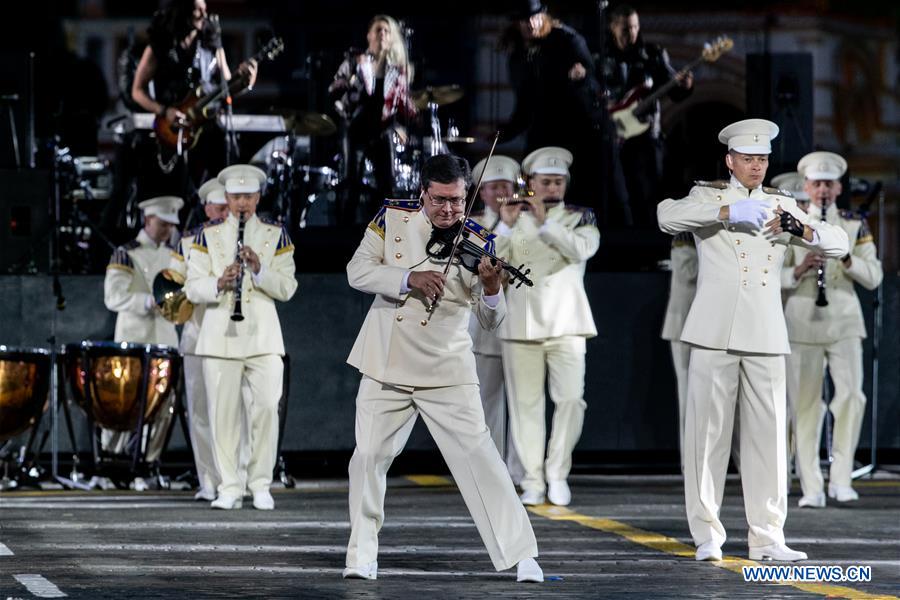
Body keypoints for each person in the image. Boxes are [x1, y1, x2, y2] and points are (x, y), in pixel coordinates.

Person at [342, 154, 542, 583]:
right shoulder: (392, 219)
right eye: (439, 201)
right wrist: (406, 279)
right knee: (369, 456)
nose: (449, 210)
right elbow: (357, 271)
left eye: (456, 201)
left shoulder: (479, 240)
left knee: (480, 456)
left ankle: (521, 553)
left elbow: (491, 320)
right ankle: (361, 555)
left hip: (447, 366)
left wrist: (491, 289)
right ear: (423, 194)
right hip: (386, 360)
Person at [657, 119, 849, 562]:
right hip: (714, 330)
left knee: (768, 439)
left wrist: (801, 231)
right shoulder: (709, 196)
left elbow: (836, 242)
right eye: (748, 159)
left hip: (764, 331)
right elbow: (666, 215)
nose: (756, 166)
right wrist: (725, 213)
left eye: (762, 159)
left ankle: (768, 537)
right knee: (707, 436)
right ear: (730, 161)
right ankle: (707, 533)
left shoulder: (783, 204)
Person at [185, 164, 297, 510]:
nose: (242, 203)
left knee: (265, 408)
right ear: (228, 198)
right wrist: (220, 281)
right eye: (236, 196)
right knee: (222, 415)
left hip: (263, 338)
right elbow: (191, 286)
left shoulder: (276, 234)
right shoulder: (207, 235)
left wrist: (259, 269)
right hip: (219, 336)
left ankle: (260, 482)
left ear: (258, 197)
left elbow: (288, 287)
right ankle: (229, 485)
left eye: (248, 196)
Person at [494, 147, 600, 507]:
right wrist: (505, 223)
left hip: (567, 322)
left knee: (571, 399)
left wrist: (545, 223)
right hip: (522, 322)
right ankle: (533, 479)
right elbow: (492, 259)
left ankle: (558, 471)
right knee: (525, 407)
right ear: (531, 183)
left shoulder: (578, 217)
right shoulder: (513, 215)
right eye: (545, 181)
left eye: (558, 181)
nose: (552, 187)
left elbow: (580, 250)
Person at [782, 151, 883, 508]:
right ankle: (811, 485)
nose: (822, 190)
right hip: (801, 321)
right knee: (805, 405)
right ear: (806, 186)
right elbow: (772, 277)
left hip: (843, 321)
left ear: (838, 187)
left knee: (852, 398)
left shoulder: (855, 224)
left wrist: (844, 256)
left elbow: (873, 277)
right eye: (816, 183)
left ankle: (841, 478)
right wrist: (798, 270)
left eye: (828, 184)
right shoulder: (790, 221)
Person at [500, 0, 629, 224]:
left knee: (594, 197)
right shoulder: (518, 56)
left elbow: (595, 87)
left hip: (581, 132)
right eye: (524, 20)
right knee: (535, 187)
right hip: (545, 131)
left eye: (535, 17)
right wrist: (504, 133)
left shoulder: (567, 40)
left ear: (544, 16)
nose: (531, 24)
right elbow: (525, 105)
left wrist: (581, 79)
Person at [129, 0, 257, 201]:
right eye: (198, 10)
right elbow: (137, 91)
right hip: (171, 132)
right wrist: (164, 111)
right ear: (183, 11)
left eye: (205, 10)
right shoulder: (160, 46)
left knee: (217, 188)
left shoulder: (211, 43)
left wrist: (246, 82)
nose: (203, 16)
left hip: (204, 131)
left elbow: (227, 89)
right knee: (172, 194)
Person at [102, 195, 184, 487]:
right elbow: (113, 297)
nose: (167, 230)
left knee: (164, 405)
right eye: (162, 224)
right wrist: (148, 301)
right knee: (125, 403)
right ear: (148, 220)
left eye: (170, 225)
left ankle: (148, 463)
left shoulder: (175, 256)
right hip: (134, 340)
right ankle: (112, 461)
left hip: (165, 340)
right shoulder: (126, 254)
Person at [600, 4, 693, 227]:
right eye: (625, 29)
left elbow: (674, 90)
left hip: (646, 136)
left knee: (649, 194)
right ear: (613, 27)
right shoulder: (600, 57)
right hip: (614, 136)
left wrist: (685, 85)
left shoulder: (653, 55)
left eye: (634, 27)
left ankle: (650, 247)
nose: (631, 33)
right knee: (615, 196)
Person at [168, 179, 229, 501]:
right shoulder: (189, 241)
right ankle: (208, 479)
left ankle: (235, 478)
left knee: (236, 410)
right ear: (207, 207)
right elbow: (172, 285)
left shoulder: (238, 236)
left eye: (228, 207)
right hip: (197, 333)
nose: (225, 213)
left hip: (231, 336)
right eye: (220, 207)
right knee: (201, 410)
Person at [468, 155, 525, 483]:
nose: (501, 192)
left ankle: (518, 472)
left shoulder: (532, 219)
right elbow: (481, 258)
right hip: (487, 326)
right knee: (487, 404)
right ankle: (491, 473)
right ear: (482, 191)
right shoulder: (472, 223)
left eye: (506, 185)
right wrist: (503, 225)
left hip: (524, 323)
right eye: (493, 187)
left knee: (523, 403)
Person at [329, 14, 417, 225]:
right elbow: (334, 89)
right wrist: (345, 96)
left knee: (388, 186)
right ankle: (345, 233)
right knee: (351, 184)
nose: (382, 34)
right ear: (369, 35)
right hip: (356, 128)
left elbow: (401, 104)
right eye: (378, 30)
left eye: (387, 31)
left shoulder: (397, 69)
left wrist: (400, 126)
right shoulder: (355, 60)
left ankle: (389, 233)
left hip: (382, 129)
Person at [660, 230, 697, 469]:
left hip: (713, 323)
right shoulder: (686, 234)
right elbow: (687, 271)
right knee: (687, 394)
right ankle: (689, 463)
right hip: (684, 323)